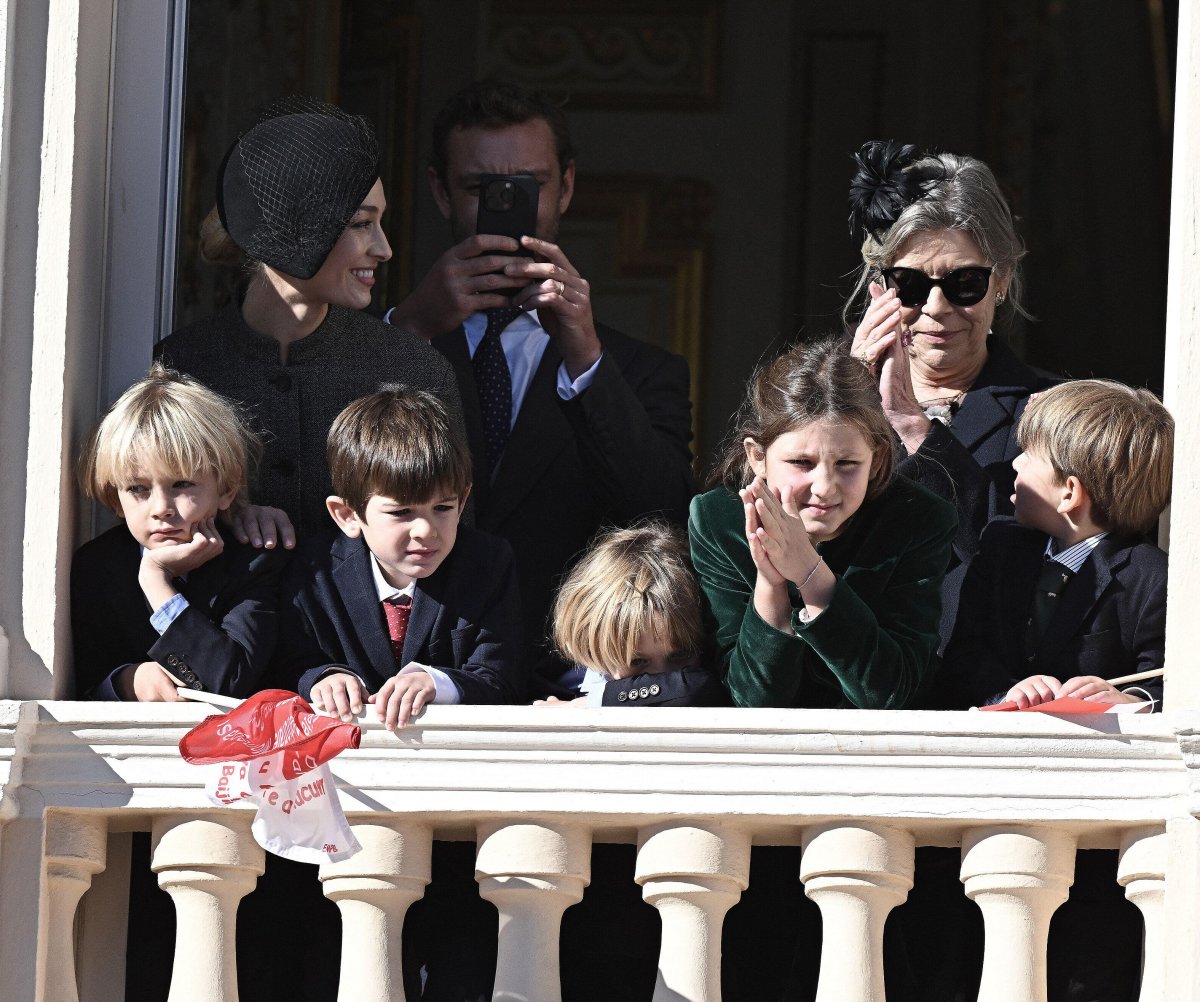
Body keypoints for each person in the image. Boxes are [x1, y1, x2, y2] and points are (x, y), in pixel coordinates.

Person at [386, 79, 696, 694]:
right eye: (480, 189)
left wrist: (583, 354)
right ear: (440, 192)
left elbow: (663, 515)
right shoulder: (392, 341)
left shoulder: (640, 371)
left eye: (529, 186)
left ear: (568, 187)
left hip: (568, 678)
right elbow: (328, 478)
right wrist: (412, 328)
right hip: (403, 682)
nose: (507, 206)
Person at [157, 98, 464, 544]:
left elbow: (451, 550)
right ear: (295, 229)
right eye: (362, 223)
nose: (384, 249)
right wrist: (227, 516)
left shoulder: (413, 371)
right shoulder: (183, 368)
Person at [845, 140, 1057, 643]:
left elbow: (1021, 553)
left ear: (1002, 280)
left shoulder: (1052, 411)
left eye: (965, 282)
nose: (937, 307)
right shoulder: (822, 402)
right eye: (911, 284)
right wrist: (846, 400)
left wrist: (914, 425)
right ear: (880, 285)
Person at [689, 336, 957, 710]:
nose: (825, 487)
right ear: (758, 457)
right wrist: (771, 582)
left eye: (847, 464)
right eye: (801, 463)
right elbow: (754, 701)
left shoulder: (917, 519)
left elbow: (891, 693)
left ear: (877, 459)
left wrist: (811, 574)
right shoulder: (720, 520)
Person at [275, 386, 527, 725]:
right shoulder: (312, 570)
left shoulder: (487, 563)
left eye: (442, 507)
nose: (425, 530)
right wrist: (323, 677)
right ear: (347, 515)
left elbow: (502, 678)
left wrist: (438, 684)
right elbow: (289, 660)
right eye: (401, 512)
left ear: (463, 501)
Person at [943, 379, 1171, 710]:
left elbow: (1166, 682)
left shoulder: (1151, 579)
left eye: (1030, 455)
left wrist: (1130, 700)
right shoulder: (1000, 547)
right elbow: (964, 653)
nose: (1015, 463)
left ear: (1069, 493)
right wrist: (1008, 690)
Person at [72, 363, 285, 701]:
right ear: (116, 499)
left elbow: (227, 681)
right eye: (138, 489)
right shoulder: (97, 567)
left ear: (227, 489)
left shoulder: (252, 562)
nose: (161, 507)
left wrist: (156, 581)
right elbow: (79, 682)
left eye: (181, 484)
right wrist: (127, 681)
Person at [543, 522, 726, 707]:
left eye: (680, 655)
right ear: (595, 653)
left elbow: (699, 687)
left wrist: (594, 702)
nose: (662, 675)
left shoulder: (584, 704)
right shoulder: (559, 690)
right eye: (637, 661)